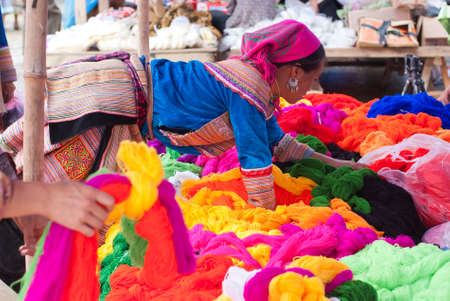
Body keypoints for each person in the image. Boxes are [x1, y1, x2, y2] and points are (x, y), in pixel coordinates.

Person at [1, 20, 364, 210]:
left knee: (43, 160)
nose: (312, 90)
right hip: (117, 101)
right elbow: (256, 162)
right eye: (313, 79)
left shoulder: (255, 85)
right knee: (46, 172)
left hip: (120, 91)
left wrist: (341, 166)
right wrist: (264, 220)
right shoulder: (251, 87)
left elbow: (278, 145)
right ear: (295, 72)